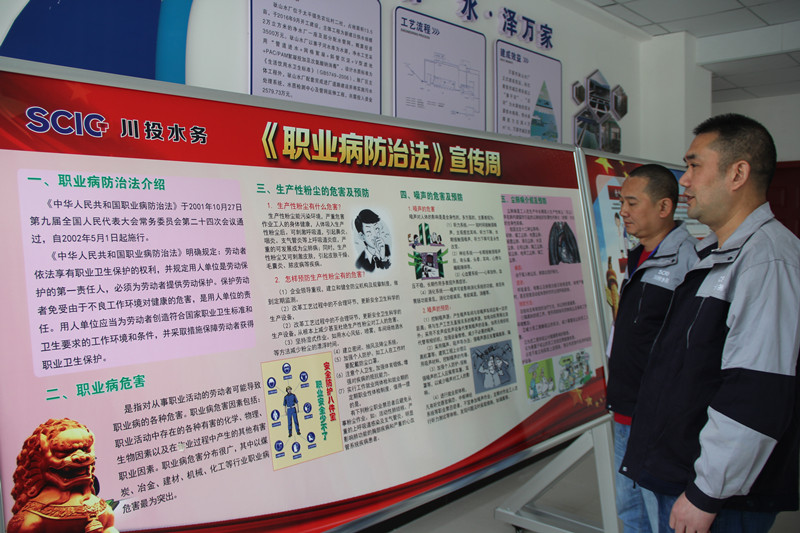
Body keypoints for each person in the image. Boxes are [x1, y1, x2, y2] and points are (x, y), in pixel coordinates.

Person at [621, 114, 800, 533]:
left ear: (737, 173)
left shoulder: (767, 261)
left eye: (694, 165)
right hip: (686, 471)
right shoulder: (716, 253)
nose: (684, 181)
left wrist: (706, 494)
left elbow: (756, 392)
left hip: (719, 497)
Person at [606, 164, 699, 533]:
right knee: (631, 513)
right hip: (626, 409)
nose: (624, 211)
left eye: (632, 203)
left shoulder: (688, 262)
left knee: (662, 516)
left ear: (664, 207)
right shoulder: (638, 256)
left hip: (656, 418)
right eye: (621, 203)